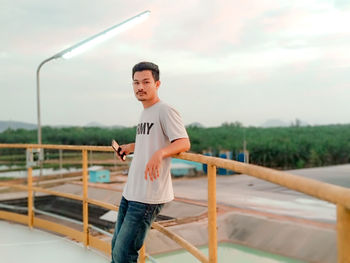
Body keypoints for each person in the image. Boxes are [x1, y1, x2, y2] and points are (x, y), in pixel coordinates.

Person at [111, 61, 190, 263]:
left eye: (146, 82)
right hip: (131, 192)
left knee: (124, 254)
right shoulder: (145, 112)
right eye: (136, 83)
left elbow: (183, 142)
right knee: (116, 249)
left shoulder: (165, 110)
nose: (140, 87)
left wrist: (160, 154)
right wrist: (129, 147)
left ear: (157, 84)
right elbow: (149, 140)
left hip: (147, 196)